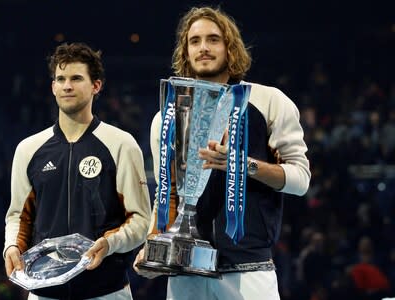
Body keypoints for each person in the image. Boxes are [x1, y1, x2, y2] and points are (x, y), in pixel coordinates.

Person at [133, 6, 311, 300]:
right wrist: (154, 245)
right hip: (184, 272)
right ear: (185, 51)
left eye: (213, 39)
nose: (203, 48)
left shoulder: (268, 101)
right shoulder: (165, 116)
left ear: (230, 47)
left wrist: (243, 165)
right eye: (195, 41)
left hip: (248, 270)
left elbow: (300, 180)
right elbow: (167, 193)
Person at [3, 42, 151, 300]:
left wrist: (110, 244)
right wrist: (12, 247)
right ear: (53, 87)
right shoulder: (28, 149)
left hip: (107, 290)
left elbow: (140, 220)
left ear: (96, 86)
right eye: (60, 79)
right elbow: (18, 216)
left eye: (76, 78)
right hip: (44, 292)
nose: (67, 86)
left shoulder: (121, 145)